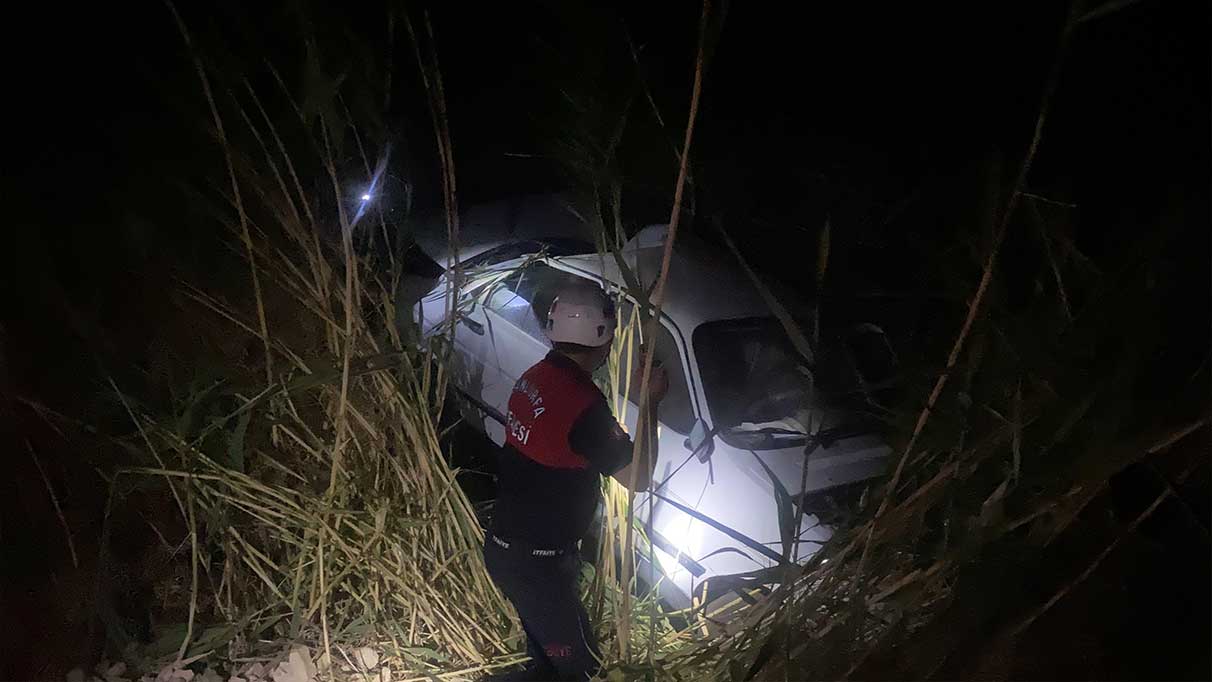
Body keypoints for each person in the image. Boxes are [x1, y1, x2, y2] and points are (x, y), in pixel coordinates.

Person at [484, 282, 668, 681]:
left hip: (512, 549)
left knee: (546, 662)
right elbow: (637, 478)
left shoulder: (536, 376)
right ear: (603, 337)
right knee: (581, 670)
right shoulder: (582, 404)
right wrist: (650, 401)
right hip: (536, 565)